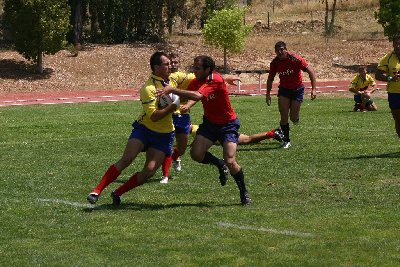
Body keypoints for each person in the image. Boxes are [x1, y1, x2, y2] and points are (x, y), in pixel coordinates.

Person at [86, 51, 179, 205]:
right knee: (127, 159)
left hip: (164, 134)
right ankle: (96, 191)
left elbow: (195, 81)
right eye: (167, 64)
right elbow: (154, 116)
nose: (171, 66)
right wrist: (173, 106)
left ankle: (117, 193)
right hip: (144, 129)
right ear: (156, 67)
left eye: (170, 63)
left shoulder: (174, 79)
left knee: (149, 171)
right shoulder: (148, 88)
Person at [160, 55, 252, 205]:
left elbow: (196, 95)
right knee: (196, 154)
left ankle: (244, 193)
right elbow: (189, 96)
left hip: (227, 125)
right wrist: (169, 101)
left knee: (230, 160)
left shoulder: (214, 80)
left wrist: (173, 90)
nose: (194, 70)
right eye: (193, 67)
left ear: (207, 69)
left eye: (197, 68)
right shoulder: (199, 80)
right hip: (210, 125)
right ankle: (218, 164)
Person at [266, 41, 317, 149]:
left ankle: (295, 118)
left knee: (293, 118)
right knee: (284, 115)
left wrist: (314, 89)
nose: (279, 52)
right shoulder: (275, 63)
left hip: (297, 89)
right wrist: (267, 93)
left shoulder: (295, 59)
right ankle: (287, 140)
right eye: (277, 50)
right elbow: (270, 78)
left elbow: (311, 71)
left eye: (281, 49)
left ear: (286, 49)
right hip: (284, 90)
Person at [375, 34, 400, 138]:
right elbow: (378, 75)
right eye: (396, 43)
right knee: (398, 120)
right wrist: (390, 78)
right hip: (394, 94)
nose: (398, 46)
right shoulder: (388, 58)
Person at [189, 124, 284, 145]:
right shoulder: (195, 128)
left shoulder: (195, 130)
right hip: (225, 134)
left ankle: (272, 133)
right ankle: (273, 132)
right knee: (249, 139)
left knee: (248, 140)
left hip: (226, 136)